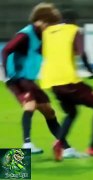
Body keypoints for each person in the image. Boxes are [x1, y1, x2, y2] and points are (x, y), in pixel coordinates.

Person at [1, 3, 77, 158]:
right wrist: (8, 73)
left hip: (29, 80)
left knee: (49, 111)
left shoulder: (44, 36)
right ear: (40, 20)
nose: (51, 27)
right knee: (30, 105)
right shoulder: (25, 35)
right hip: (17, 79)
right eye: (50, 24)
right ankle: (27, 145)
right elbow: (6, 50)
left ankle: (66, 148)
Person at [40, 8, 93, 161]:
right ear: (74, 21)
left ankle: (59, 141)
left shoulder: (48, 32)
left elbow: (40, 51)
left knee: (71, 112)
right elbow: (82, 52)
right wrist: (91, 71)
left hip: (51, 82)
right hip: (69, 81)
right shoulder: (74, 30)